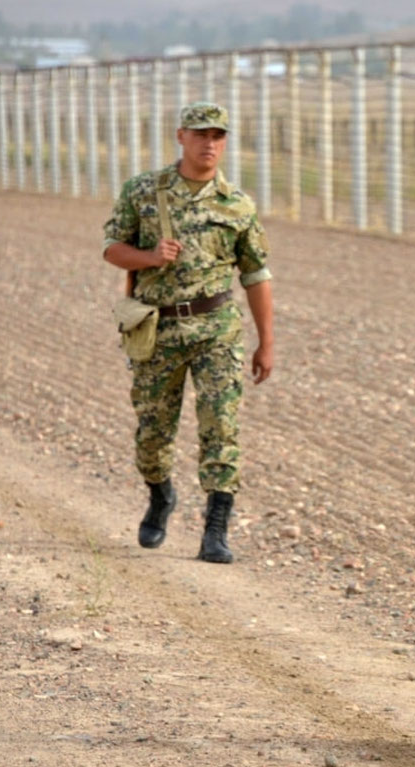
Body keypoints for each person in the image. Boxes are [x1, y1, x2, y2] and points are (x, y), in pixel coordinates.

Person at [102, 102, 274, 563]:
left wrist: (266, 343)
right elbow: (112, 249)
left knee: (222, 426)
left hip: (217, 329)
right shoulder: (143, 191)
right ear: (181, 136)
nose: (210, 144)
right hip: (157, 329)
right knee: (153, 435)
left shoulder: (236, 205)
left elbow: (256, 275)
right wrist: (150, 258)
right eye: (201, 134)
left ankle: (215, 530)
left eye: (218, 135)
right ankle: (160, 496)